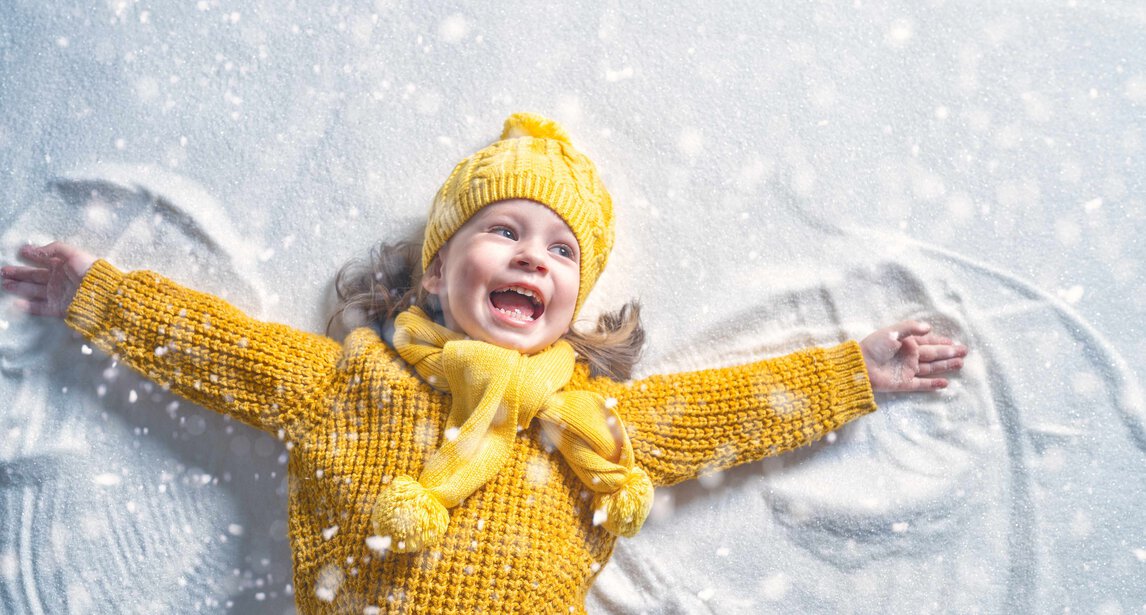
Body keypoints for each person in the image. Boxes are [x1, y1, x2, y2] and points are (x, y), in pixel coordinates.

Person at [0, 113, 967, 613]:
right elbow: (219, 349)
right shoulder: (351, 381)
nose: (528, 257)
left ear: (573, 308)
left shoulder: (588, 421)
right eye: (502, 229)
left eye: (559, 250)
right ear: (435, 267)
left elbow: (730, 408)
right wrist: (98, 295)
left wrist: (857, 372)